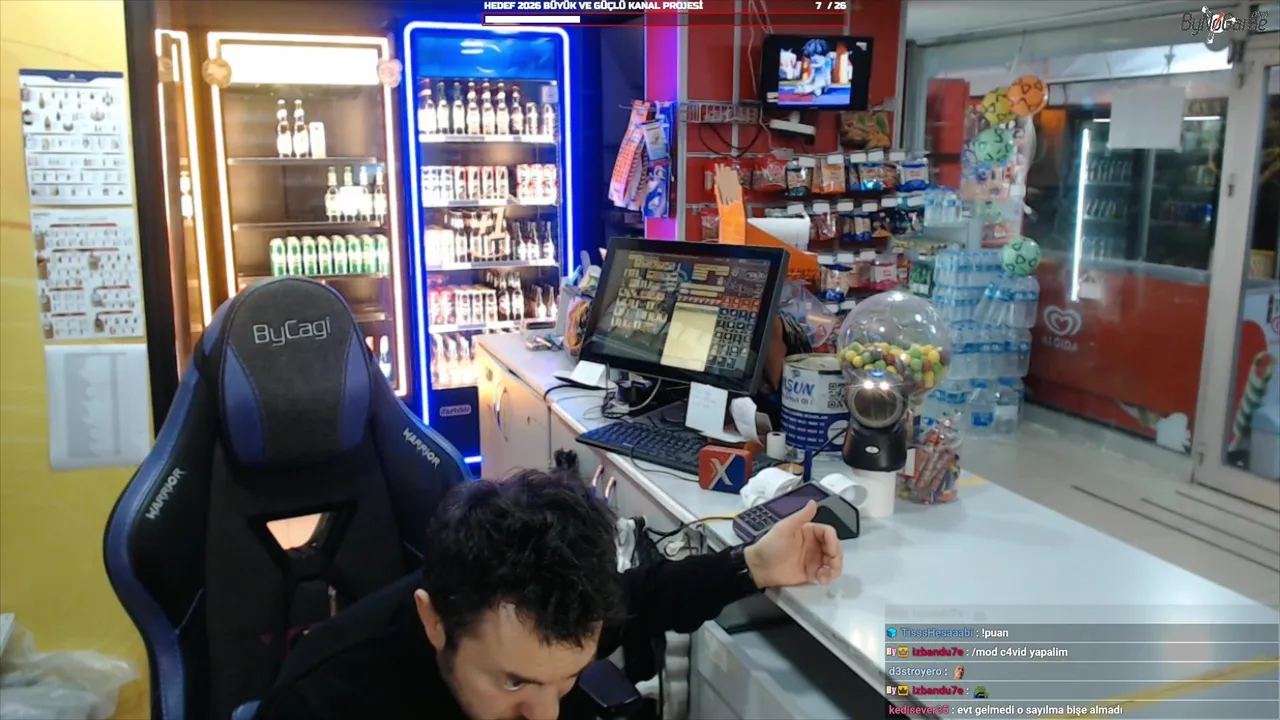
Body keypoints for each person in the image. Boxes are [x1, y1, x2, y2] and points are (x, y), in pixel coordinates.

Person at [255, 469, 843, 720]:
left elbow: (646, 596)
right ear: (435, 622)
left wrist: (751, 565)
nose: (546, 716)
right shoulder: (321, 702)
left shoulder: (543, 623)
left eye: (567, 678)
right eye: (515, 684)